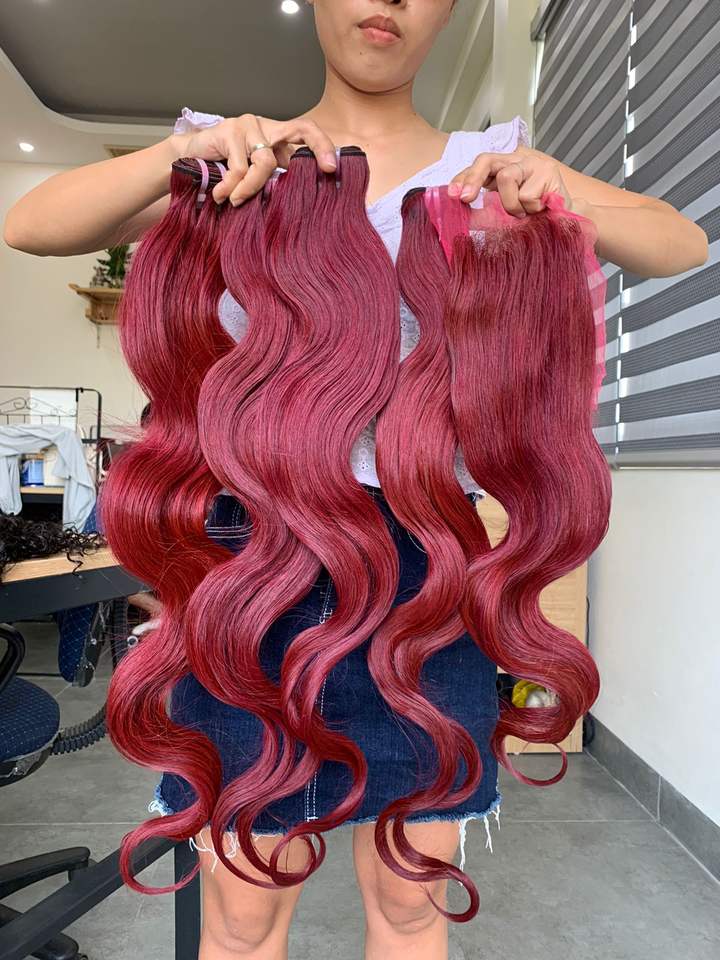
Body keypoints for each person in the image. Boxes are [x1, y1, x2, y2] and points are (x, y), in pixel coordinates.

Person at [3, 3, 708, 959]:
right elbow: (32, 225)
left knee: (412, 903)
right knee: (242, 913)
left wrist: (555, 196)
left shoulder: (489, 164)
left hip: (429, 561)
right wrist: (189, 151)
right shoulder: (240, 162)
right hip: (252, 562)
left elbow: (679, 242)